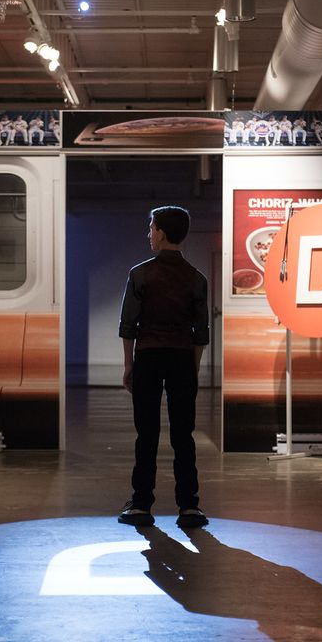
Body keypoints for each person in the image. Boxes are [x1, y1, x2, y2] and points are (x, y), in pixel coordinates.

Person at [118, 206, 210, 529]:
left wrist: (129, 365)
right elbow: (201, 334)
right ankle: (189, 507)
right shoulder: (197, 279)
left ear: (160, 233)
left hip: (149, 358)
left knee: (147, 433)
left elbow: (128, 325)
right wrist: (193, 368)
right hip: (182, 359)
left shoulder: (139, 274)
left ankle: (141, 504)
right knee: (183, 434)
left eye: (151, 228)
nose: (149, 234)